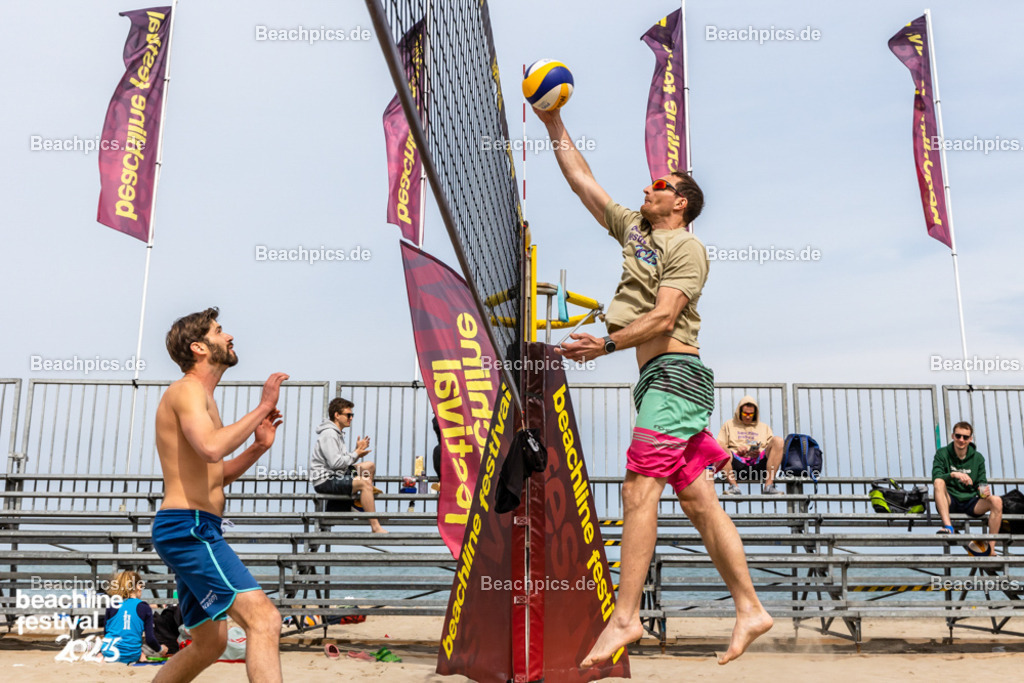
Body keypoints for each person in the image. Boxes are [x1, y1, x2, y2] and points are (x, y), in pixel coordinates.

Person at [535, 106, 772, 667]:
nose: (648, 185)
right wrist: (554, 124)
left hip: (675, 377)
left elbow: (665, 319)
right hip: (658, 381)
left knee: (639, 490)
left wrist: (607, 344)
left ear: (681, 201)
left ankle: (624, 618)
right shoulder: (636, 230)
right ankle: (751, 609)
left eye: (661, 184)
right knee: (699, 503)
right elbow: (582, 182)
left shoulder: (685, 248)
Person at [151, 307, 288, 683]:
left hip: (192, 526)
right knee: (265, 619)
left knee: (210, 643)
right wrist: (262, 405)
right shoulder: (187, 392)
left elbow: (216, 473)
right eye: (219, 331)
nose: (229, 337)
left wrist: (257, 448)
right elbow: (212, 448)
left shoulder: (203, 398)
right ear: (199, 347)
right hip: (189, 527)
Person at [310, 397, 386, 533]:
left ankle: (356, 503)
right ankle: (375, 526)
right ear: (337, 415)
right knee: (364, 483)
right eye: (348, 415)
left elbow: (341, 462)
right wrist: (356, 453)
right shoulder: (329, 434)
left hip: (336, 474)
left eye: (352, 415)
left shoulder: (337, 434)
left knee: (369, 466)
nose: (351, 418)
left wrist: (356, 452)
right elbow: (336, 463)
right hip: (325, 480)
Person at [933, 421, 1003, 555]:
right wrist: (954, 474)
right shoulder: (942, 454)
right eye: (958, 436)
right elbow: (936, 477)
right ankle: (948, 527)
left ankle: (991, 549)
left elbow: (981, 482)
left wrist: (983, 491)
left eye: (965, 437)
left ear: (970, 439)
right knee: (938, 482)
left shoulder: (978, 458)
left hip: (971, 502)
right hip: (949, 501)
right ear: (953, 436)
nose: (961, 440)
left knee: (996, 501)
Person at [716, 396, 785, 495]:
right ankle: (734, 487)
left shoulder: (764, 427)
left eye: (751, 414)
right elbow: (719, 446)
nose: (748, 416)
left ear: (755, 413)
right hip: (736, 464)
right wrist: (737, 452)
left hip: (759, 464)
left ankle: (768, 486)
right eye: (745, 413)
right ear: (739, 412)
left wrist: (759, 452)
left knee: (778, 441)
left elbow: (771, 450)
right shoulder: (729, 425)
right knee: (717, 444)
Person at [99, 570, 168, 663]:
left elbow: (107, 633)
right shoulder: (144, 607)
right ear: (138, 586)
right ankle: (141, 656)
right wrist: (161, 650)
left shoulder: (112, 604)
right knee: (146, 649)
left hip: (109, 653)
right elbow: (150, 639)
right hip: (131, 655)